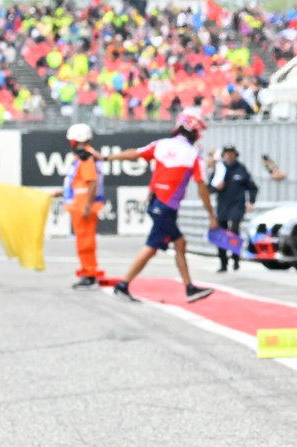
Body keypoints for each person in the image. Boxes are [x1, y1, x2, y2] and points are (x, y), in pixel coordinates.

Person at [97, 111, 218, 304]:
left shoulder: (161, 145)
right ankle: (124, 284)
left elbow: (133, 154)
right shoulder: (194, 155)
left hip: (156, 202)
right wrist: (211, 215)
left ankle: (189, 288)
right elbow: (202, 189)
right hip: (166, 206)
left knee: (179, 243)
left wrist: (107, 158)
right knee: (152, 247)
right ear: (193, 132)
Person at [50, 123, 105, 289]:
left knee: (85, 242)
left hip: (84, 206)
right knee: (83, 240)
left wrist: (87, 205)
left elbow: (92, 182)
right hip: (81, 204)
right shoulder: (85, 156)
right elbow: (80, 182)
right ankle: (88, 272)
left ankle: (89, 275)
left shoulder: (85, 157)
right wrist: (61, 193)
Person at [210, 144, 258, 273]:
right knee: (221, 233)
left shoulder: (241, 169)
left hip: (237, 206)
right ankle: (223, 262)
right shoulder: (219, 170)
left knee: (234, 230)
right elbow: (208, 188)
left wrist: (251, 202)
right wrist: (216, 187)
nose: (229, 156)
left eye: (232, 153)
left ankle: (236, 259)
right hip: (222, 207)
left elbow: (252, 187)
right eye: (227, 153)